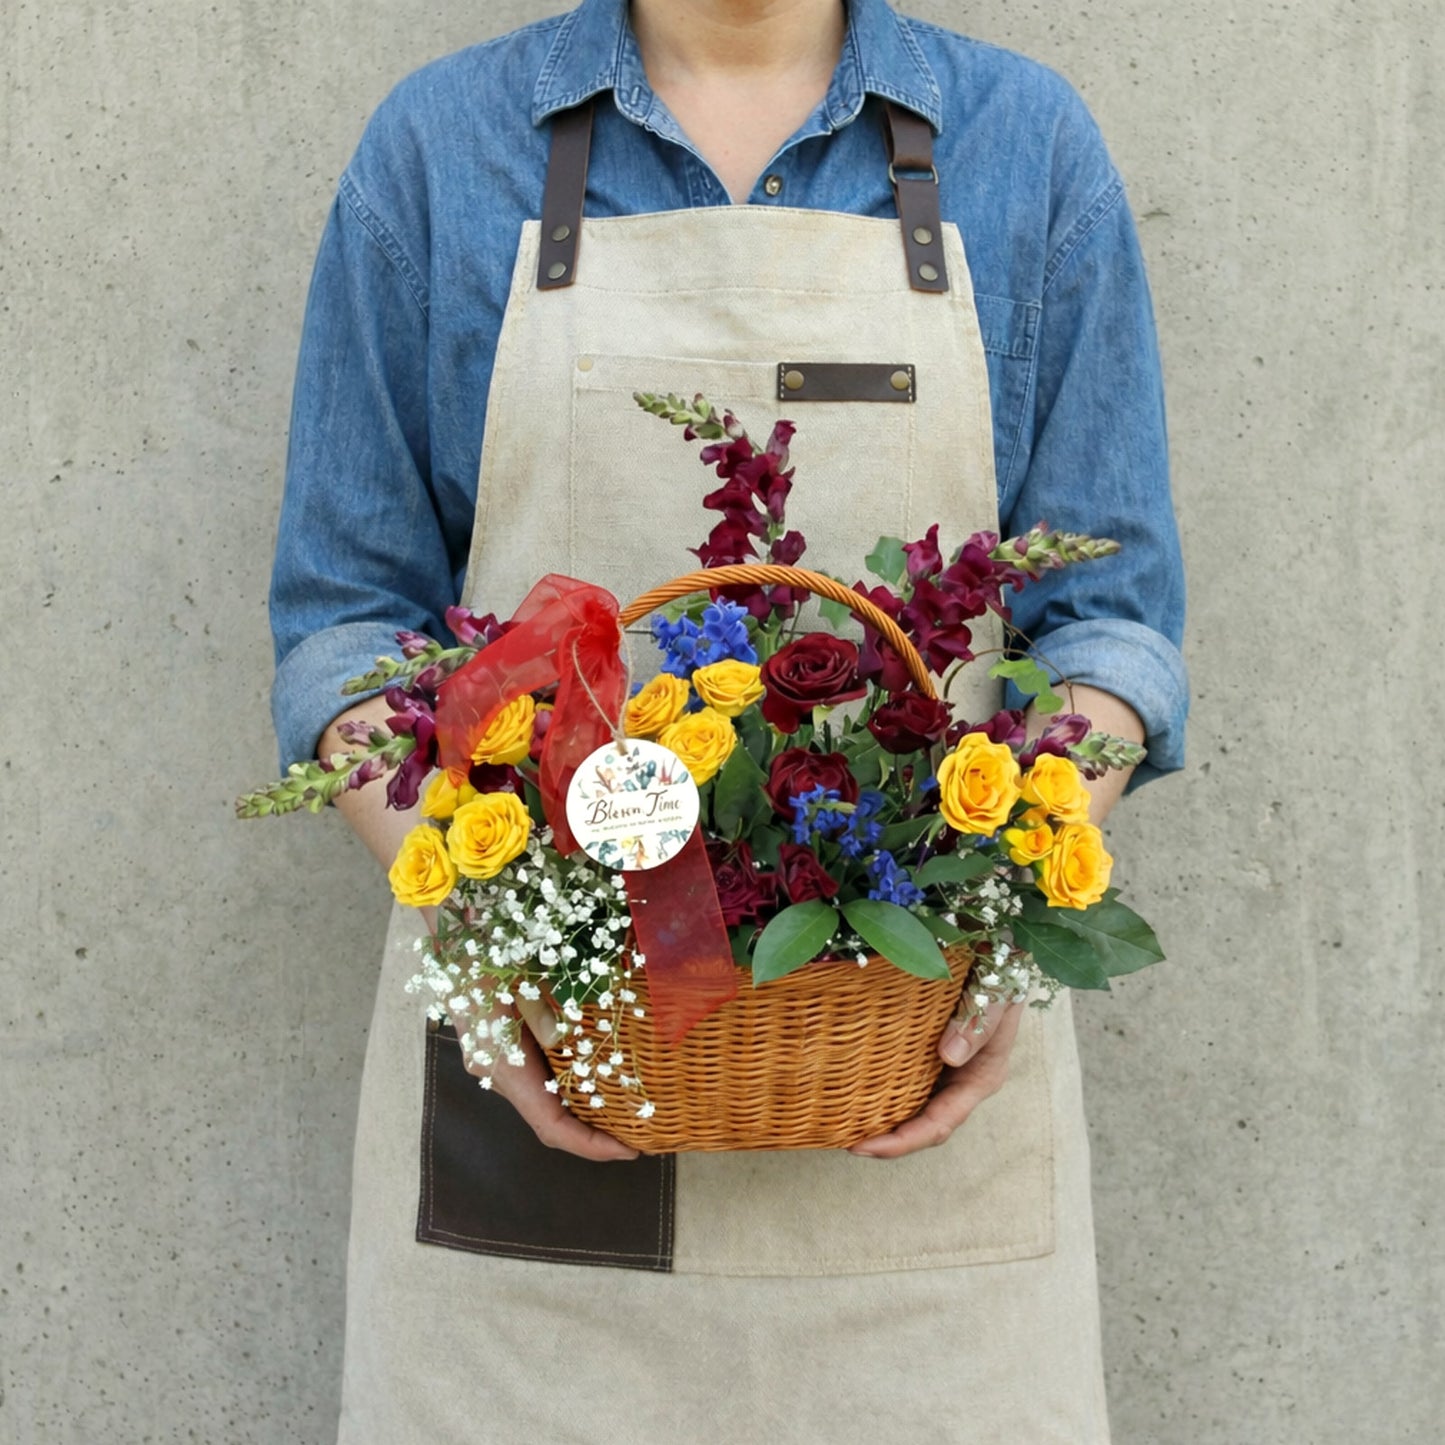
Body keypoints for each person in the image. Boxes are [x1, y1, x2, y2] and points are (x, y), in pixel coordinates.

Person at [269, 1, 1187, 1439]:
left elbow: (1114, 621)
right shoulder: (441, 154)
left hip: (916, 1164)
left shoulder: (1024, 149)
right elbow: (344, 628)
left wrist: (1012, 907)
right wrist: (482, 930)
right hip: (543, 1163)